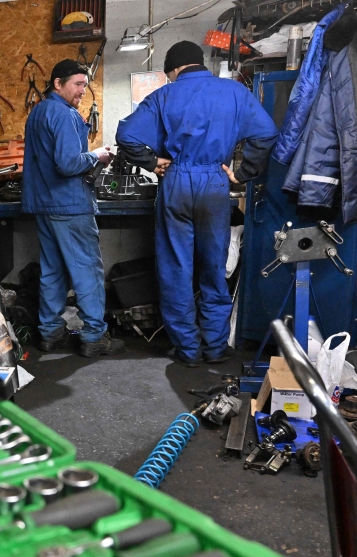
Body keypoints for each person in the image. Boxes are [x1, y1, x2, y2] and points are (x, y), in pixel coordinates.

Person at [116, 41, 278, 367]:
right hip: (214, 181)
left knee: (176, 269)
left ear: (174, 69)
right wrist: (243, 173)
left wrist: (153, 162)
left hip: (177, 180)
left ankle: (187, 350)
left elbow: (127, 136)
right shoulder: (233, 92)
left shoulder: (165, 95)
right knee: (214, 267)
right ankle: (216, 347)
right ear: (199, 63)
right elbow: (266, 133)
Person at [22, 59, 124, 357]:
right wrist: (96, 155)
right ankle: (94, 336)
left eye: (84, 84)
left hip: (45, 205)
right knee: (87, 271)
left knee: (52, 271)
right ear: (58, 83)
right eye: (78, 84)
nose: (83, 90)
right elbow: (68, 164)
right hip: (69, 205)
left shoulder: (38, 112)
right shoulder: (64, 114)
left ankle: (50, 334)